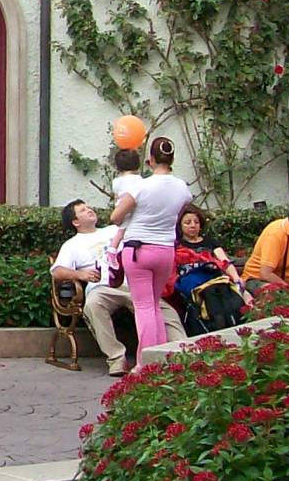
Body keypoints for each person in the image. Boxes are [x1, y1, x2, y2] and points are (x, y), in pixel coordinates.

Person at [53, 199, 182, 376]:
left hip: (132, 283)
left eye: (89, 207)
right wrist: (80, 275)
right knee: (93, 305)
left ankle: (183, 351)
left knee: (164, 310)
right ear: (75, 222)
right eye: (83, 210)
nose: (90, 210)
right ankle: (116, 359)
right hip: (102, 287)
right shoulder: (72, 244)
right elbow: (57, 272)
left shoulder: (114, 230)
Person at [109, 135, 190, 359]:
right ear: (172, 158)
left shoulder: (140, 187)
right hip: (165, 250)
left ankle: (146, 361)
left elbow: (116, 218)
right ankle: (161, 356)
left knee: (143, 307)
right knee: (154, 305)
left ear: (150, 160)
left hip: (138, 249)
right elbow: (182, 207)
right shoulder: (182, 187)